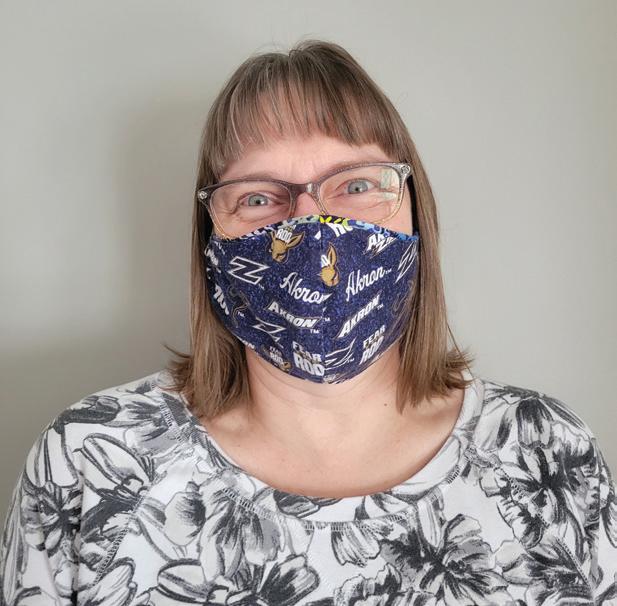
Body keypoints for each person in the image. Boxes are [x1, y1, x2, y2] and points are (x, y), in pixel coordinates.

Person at [1, 39, 615, 606]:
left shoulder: (547, 452)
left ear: (415, 212)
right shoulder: (90, 460)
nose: (312, 226)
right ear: (211, 241)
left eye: (356, 184)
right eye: (258, 198)